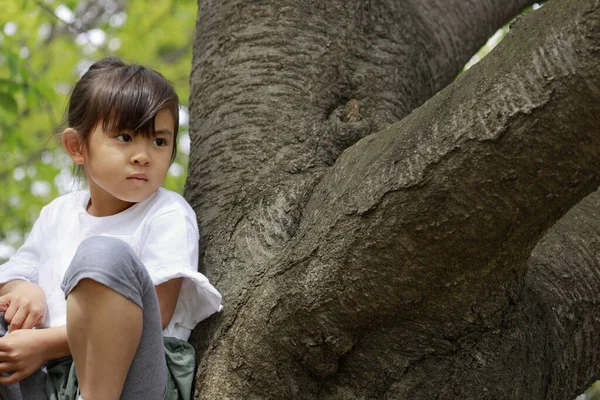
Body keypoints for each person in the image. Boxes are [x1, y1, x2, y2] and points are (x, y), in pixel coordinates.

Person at [0, 57, 222, 400]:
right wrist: (25, 290)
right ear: (77, 147)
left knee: (102, 255)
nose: (143, 156)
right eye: (125, 136)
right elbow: (14, 274)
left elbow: (157, 314)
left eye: (159, 142)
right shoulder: (57, 213)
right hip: (48, 380)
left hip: (132, 376)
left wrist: (45, 344)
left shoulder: (167, 213)